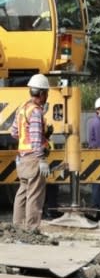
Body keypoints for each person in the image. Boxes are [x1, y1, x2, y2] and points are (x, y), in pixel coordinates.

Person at [10, 74, 52, 230]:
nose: (47, 96)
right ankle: (31, 230)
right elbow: (34, 138)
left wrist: (43, 134)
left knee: (22, 193)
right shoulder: (35, 112)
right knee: (35, 195)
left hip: (22, 158)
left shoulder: (22, 108)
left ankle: (18, 228)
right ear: (41, 93)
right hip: (33, 159)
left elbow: (15, 132)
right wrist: (41, 159)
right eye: (46, 93)